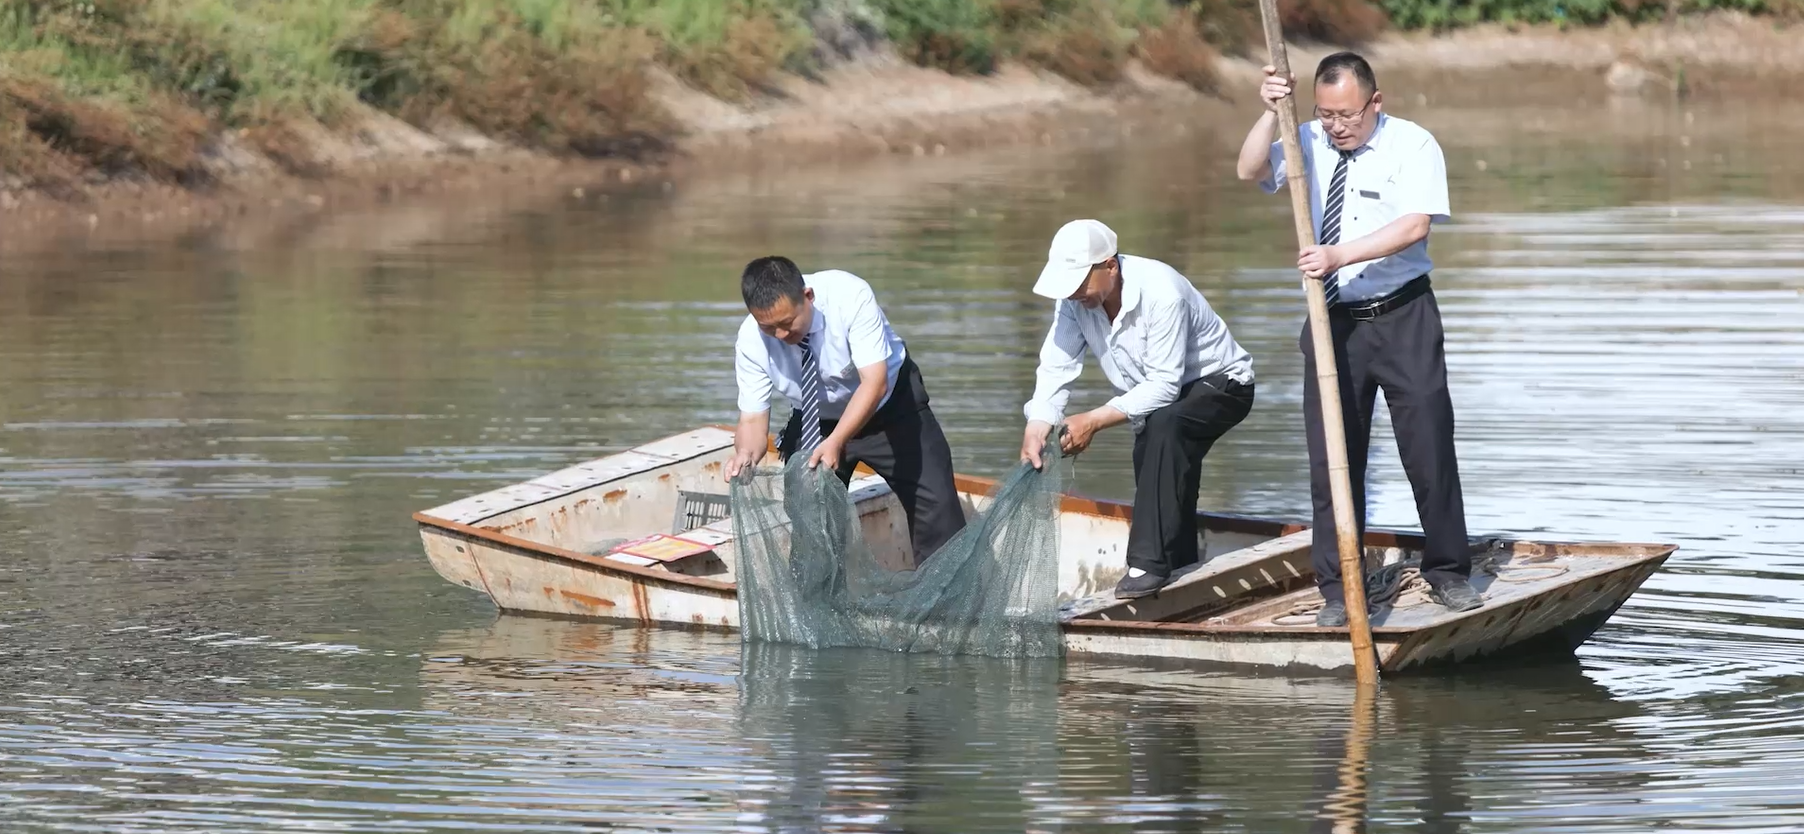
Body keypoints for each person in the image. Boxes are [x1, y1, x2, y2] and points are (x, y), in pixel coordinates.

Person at [1234, 51, 1482, 626]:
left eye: (1347, 114)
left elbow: (1415, 224)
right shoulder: (1307, 141)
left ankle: (1448, 571)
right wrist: (1271, 110)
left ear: (1375, 101)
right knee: (1332, 460)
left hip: (1404, 318)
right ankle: (1337, 585)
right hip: (1333, 323)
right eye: (1325, 114)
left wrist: (1338, 254)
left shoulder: (1413, 145)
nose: (1336, 126)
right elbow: (1249, 170)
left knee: (1428, 446)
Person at [1020, 219, 1256, 599]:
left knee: (1163, 428)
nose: (1074, 293)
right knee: (1154, 449)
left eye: (1080, 282)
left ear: (1110, 266)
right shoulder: (1075, 303)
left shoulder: (1162, 291)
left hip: (1223, 384)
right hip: (1162, 397)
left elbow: (1164, 384)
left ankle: (1147, 563)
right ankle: (1179, 562)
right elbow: (1057, 365)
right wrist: (1038, 422)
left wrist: (1093, 420)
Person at [724, 256, 966, 566]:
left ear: (807, 296)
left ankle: (944, 603)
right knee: (811, 516)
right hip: (815, 418)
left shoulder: (850, 296)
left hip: (889, 406)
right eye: (769, 328)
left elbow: (874, 383)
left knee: (936, 503)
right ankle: (822, 604)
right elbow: (753, 419)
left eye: (787, 323)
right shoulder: (751, 339)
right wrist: (745, 455)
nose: (781, 336)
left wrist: (838, 440)